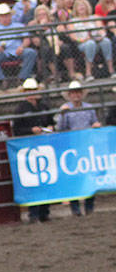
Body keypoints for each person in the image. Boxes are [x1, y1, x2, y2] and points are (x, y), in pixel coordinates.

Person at [9, 78, 54, 223]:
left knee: (45, 180)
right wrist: (30, 130)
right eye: (29, 91)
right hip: (28, 147)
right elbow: (16, 129)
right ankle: (34, 213)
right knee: (33, 180)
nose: (31, 94)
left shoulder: (44, 106)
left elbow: (51, 121)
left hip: (43, 145)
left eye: (33, 91)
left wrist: (50, 127)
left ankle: (44, 212)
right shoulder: (20, 109)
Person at [54, 81, 101, 216]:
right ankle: (76, 208)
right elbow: (60, 128)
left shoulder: (89, 107)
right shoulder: (65, 110)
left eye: (78, 92)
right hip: (72, 147)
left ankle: (89, 206)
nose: (76, 95)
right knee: (74, 177)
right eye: (74, 93)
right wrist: (62, 115)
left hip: (86, 146)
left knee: (88, 177)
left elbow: (94, 122)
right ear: (69, 95)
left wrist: (96, 125)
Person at [0, 3, 38, 87]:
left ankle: (22, 78)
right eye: (2, 16)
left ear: (10, 15)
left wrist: (22, 47)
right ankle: (1, 80)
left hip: (17, 51)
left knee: (31, 52)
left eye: (6, 15)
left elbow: (27, 39)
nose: (5, 18)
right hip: (0, 53)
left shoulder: (19, 26)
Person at [67, 0, 113, 80]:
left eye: (83, 5)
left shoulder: (94, 17)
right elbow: (73, 37)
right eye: (79, 5)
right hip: (82, 43)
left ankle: (111, 70)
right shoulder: (72, 21)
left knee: (106, 41)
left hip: (96, 40)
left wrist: (101, 36)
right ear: (76, 9)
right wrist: (84, 39)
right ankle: (88, 73)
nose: (81, 7)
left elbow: (102, 31)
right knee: (90, 43)